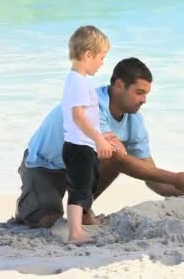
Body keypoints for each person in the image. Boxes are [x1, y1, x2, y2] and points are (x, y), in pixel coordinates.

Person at [15, 56, 184, 231]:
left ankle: (83, 209)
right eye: (139, 93)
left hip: (80, 167)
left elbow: (150, 175)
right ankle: (26, 204)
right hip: (45, 164)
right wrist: (175, 177)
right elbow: (120, 160)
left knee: (113, 157)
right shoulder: (92, 104)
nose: (144, 100)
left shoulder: (134, 120)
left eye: (146, 94)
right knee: (47, 222)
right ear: (119, 85)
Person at [60, 25, 113, 244]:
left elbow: (88, 117)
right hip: (78, 146)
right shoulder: (78, 82)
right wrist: (98, 139)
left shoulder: (79, 80)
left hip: (83, 144)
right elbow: (79, 116)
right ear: (88, 54)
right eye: (101, 57)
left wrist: (101, 136)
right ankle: (75, 233)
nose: (102, 63)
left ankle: (82, 223)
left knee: (88, 183)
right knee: (79, 187)